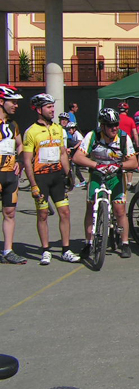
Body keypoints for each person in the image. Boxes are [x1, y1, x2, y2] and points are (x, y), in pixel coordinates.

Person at [73, 108, 138, 260]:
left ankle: (125, 243)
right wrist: (96, 165)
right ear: (102, 126)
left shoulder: (123, 137)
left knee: (120, 210)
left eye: (116, 124)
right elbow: (77, 157)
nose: (114, 128)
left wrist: (120, 166)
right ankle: (89, 242)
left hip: (115, 176)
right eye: (110, 125)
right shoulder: (93, 136)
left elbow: (134, 162)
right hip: (97, 175)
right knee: (91, 208)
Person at [23, 93, 79, 265]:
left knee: (65, 212)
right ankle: (45, 250)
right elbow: (27, 160)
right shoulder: (31, 132)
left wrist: (69, 175)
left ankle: (66, 249)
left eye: (53, 106)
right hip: (41, 178)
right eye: (49, 107)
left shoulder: (58, 129)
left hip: (57, 177)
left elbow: (62, 153)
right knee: (43, 215)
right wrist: (33, 184)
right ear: (39, 110)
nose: (53, 110)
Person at [0, 86, 26, 264]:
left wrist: (20, 161)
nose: (16, 105)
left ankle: (8, 251)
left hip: (10, 175)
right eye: (13, 102)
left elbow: (20, 145)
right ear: (1, 101)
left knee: (9, 212)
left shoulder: (13, 125)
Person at [117, 102, 139, 188]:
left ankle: (120, 181)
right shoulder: (130, 120)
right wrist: (137, 145)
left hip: (116, 143)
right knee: (129, 162)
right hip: (127, 143)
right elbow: (135, 133)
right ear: (127, 110)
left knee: (119, 163)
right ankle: (129, 182)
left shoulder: (116, 119)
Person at [66, 122, 85, 187]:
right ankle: (81, 181)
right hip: (76, 151)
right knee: (74, 167)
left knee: (75, 167)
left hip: (81, 151)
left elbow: (80, 142)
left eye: (70, 129)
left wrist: (74, 147)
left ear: (74, 129)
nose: (69, 131)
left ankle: (82, 181)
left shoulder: (77, 134)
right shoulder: (74, 135)